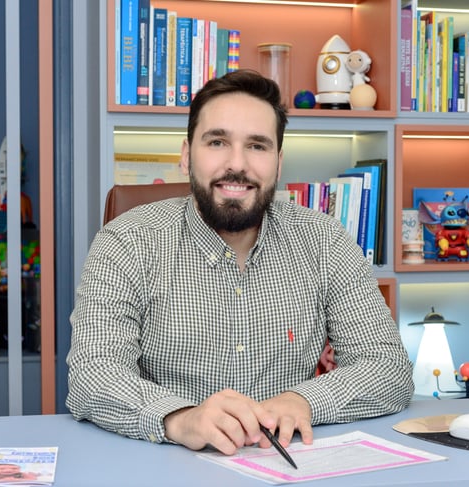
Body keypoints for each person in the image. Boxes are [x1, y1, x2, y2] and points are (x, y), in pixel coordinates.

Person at [66, 69, 414, 456]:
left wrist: (304, 400)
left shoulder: (324, 240)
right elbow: (93, 374)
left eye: (257, 146)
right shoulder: (127, 241)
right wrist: (180, 418)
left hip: (288, 462)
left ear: (278, 163)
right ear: (186, 155)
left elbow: (388, 367)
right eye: (217, 142)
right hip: (167, 462)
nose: (237, 164)